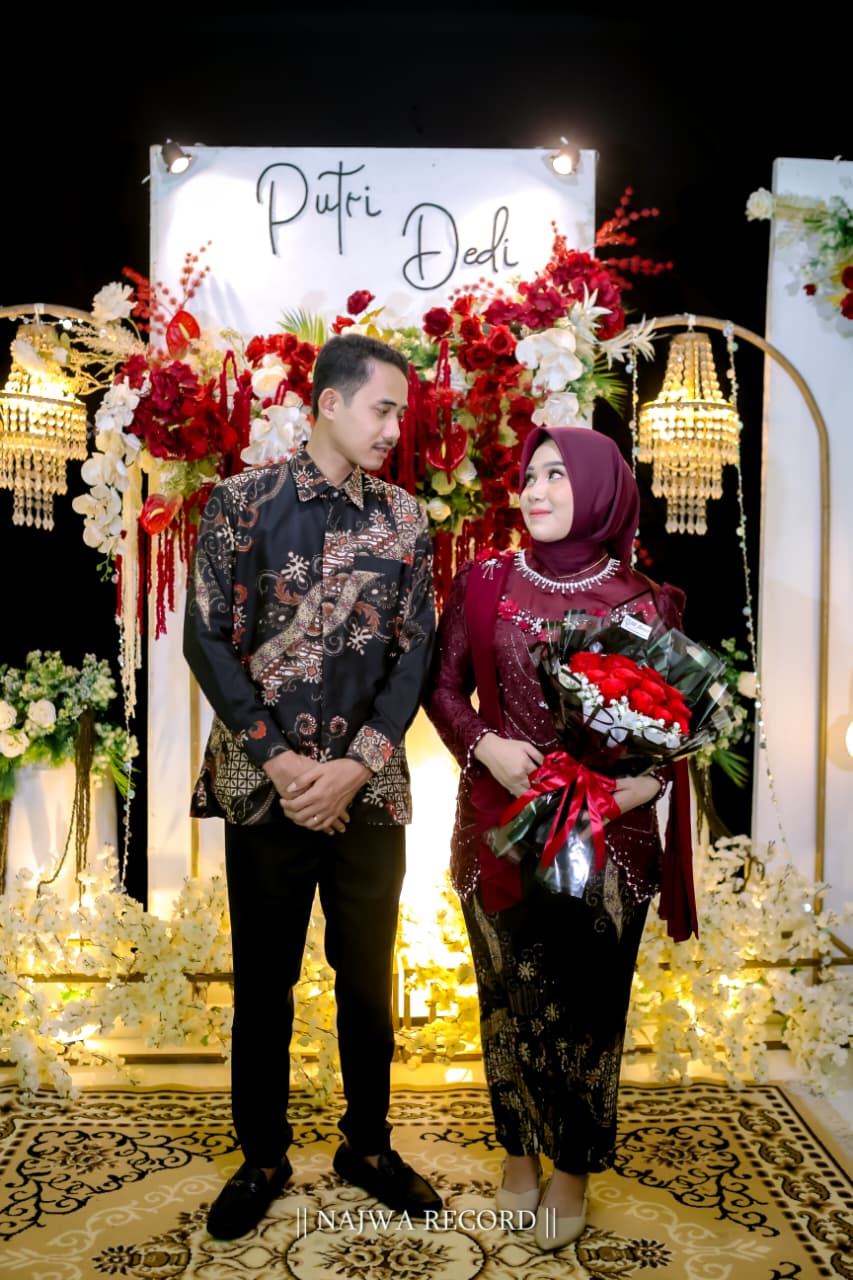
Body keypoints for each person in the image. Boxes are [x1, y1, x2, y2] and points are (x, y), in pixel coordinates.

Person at [184, 332, 442, 1240]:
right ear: (329, 403)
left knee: (368, 979)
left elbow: (415, 653)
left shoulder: (406, 519)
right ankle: (262, 1156)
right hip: (267, 791)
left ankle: (367, 1146)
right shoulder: (239, 504)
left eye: (400, 413)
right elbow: (207, 640)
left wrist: (354, 765)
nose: (393, 429)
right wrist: (283, 762)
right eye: (382, 409)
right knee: (264, 984)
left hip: (367, 793)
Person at [424, 425, 696, 1252]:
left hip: (605, 836)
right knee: (505, 996)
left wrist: (642, 786)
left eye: (555, 475)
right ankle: (518, 1151)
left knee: (587, 1008)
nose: (534, 491)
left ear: (600, 490)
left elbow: (671, 731)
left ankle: (572, 1166)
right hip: (498, 825)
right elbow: (442, 687)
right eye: (528, 475)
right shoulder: (484, 581)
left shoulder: (641, 601)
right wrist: (485, 746)